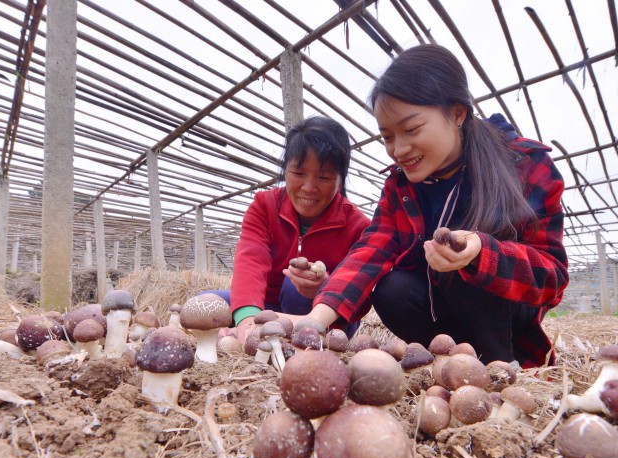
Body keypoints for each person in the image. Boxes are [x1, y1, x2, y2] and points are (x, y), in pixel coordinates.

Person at [306, 45, 569, 368]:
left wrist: (483, 253)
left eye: (412, 129)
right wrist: (315, 320)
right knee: (392, 289)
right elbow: (370, 250)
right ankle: (444, 364)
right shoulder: (401, 188)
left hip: (507, 323)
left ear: (457, 113)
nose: (399, 149)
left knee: (466, 267)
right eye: (387, 137)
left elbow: (552, 280)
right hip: (441, 318)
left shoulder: (525, 166)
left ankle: (500, 368)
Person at [222, 115, 370, 343]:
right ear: (285, 170)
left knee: (294, 286)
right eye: (298, 174)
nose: (309, 187)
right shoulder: (265, 206)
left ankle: (301, 348)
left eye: (324, 176)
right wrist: (247, 322)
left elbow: (363, 293)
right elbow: (250, 261)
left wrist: (325, 288)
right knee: (210, 301)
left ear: (340, 179)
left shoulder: (358, 225)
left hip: (326, 321)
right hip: (270, 308)